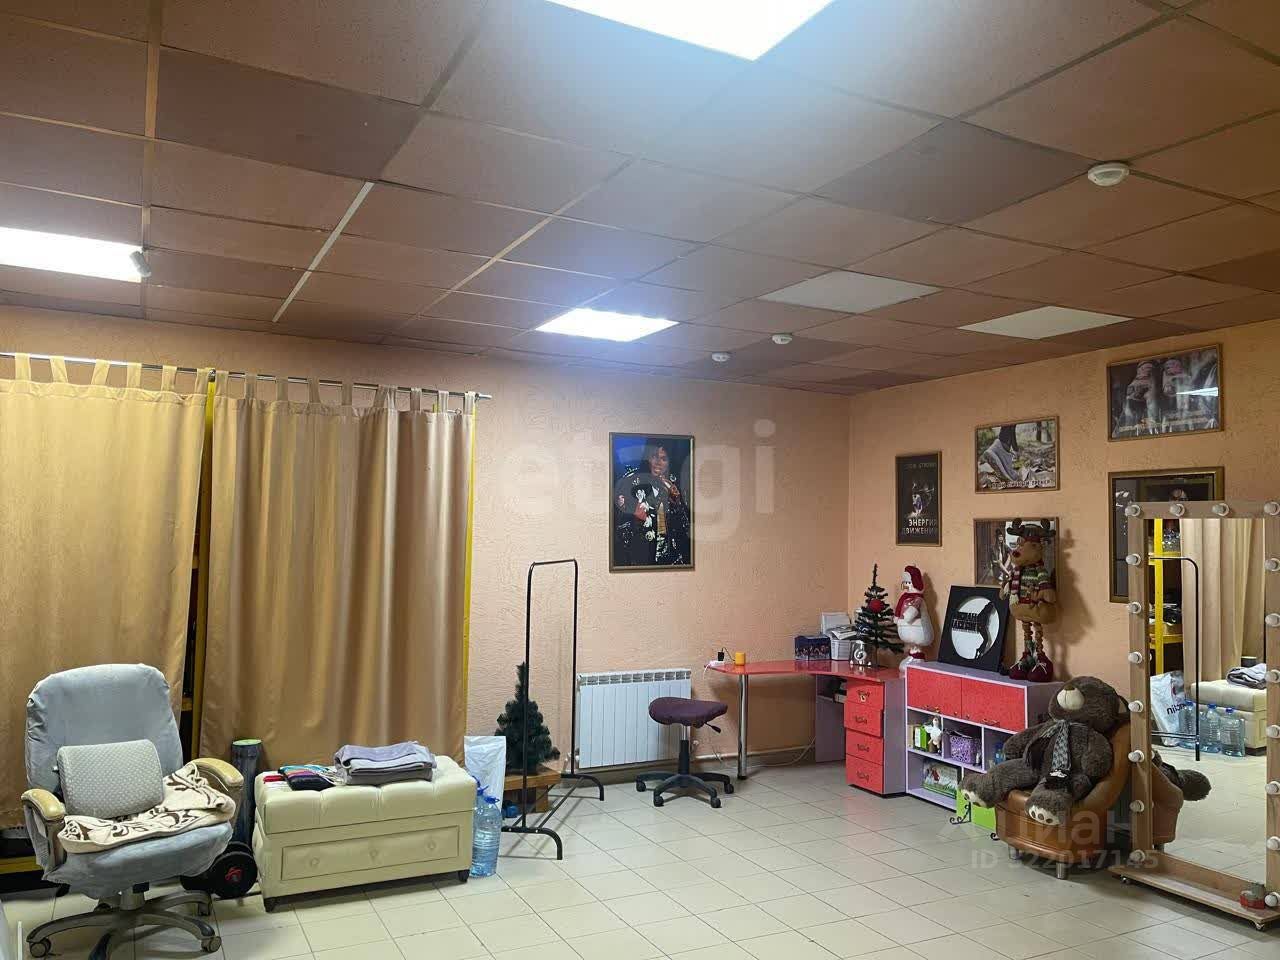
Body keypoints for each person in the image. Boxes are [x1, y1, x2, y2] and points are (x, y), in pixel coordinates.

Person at [613, 440, 691, 566]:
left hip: (670, 559)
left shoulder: (673, 487)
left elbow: (685, 529)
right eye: (654, 456)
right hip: (640, 557)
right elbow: (618, 524)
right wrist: (634, 517)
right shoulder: (632, 483)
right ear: (648, 458)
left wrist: (677, 503)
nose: (658, 462)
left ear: (669, 462)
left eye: (663, 459)